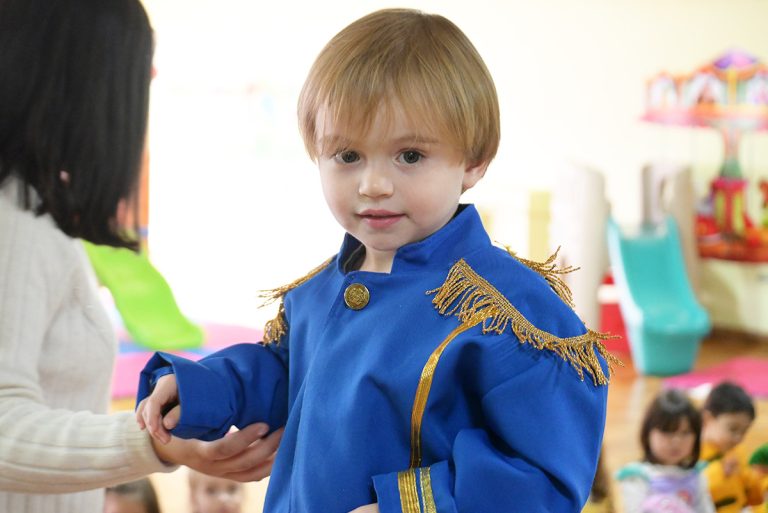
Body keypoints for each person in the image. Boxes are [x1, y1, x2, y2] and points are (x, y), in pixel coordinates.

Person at [137, 8, 616, 513]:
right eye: (348, 156)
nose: (373, 184)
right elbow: (283, 376)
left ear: (474, 160)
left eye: (410, 156)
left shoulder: (510, 315)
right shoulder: (317, 293)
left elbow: (544, 475)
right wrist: (203, 390)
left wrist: (407, 505)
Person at [0, 0, 281, 511]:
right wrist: (153, 443)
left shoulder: (34, 212)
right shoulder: (15, 215)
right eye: (135, 68)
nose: (147, 80)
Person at [615, 389, 715, 513]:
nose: (676, 441)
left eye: (685, 433)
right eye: (667, 432)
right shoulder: (637, 476)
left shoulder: (696, 476)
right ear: (648, 433)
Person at [699, 381, 768, 512]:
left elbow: (752, 493)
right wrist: (719, 472)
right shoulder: (691, 451)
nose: (738, 438)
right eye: (733, 429)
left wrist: (762, 482)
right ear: (707, 419)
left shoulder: (736, 451)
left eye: (744, 432)